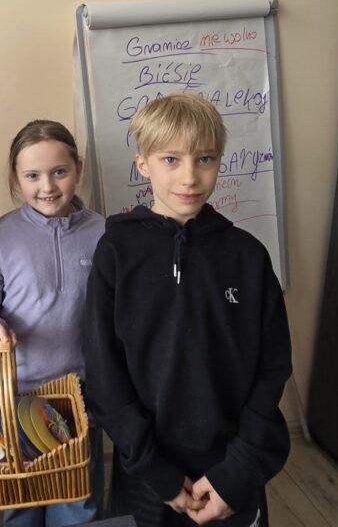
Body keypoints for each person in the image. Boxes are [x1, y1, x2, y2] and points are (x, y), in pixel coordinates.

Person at [83, 94, 292, 527]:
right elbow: (104, 373)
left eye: (205, 159)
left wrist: (238, 471)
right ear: (143, 164)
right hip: (145, 472)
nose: (190, 176)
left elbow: (272, 369)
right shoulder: (116, 252)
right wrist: (154, 468)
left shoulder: (248, 257)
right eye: (171, 159)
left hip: (232, 471)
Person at [0, 120, 106, 527]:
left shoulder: (104, 233)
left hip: (80, 399)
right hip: (15, 398)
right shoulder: (1, 236)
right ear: (15, 178)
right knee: (22, 502)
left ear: (78, 169)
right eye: (32, 176)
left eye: (59, 172)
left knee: (78, 502)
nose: (47, 186)